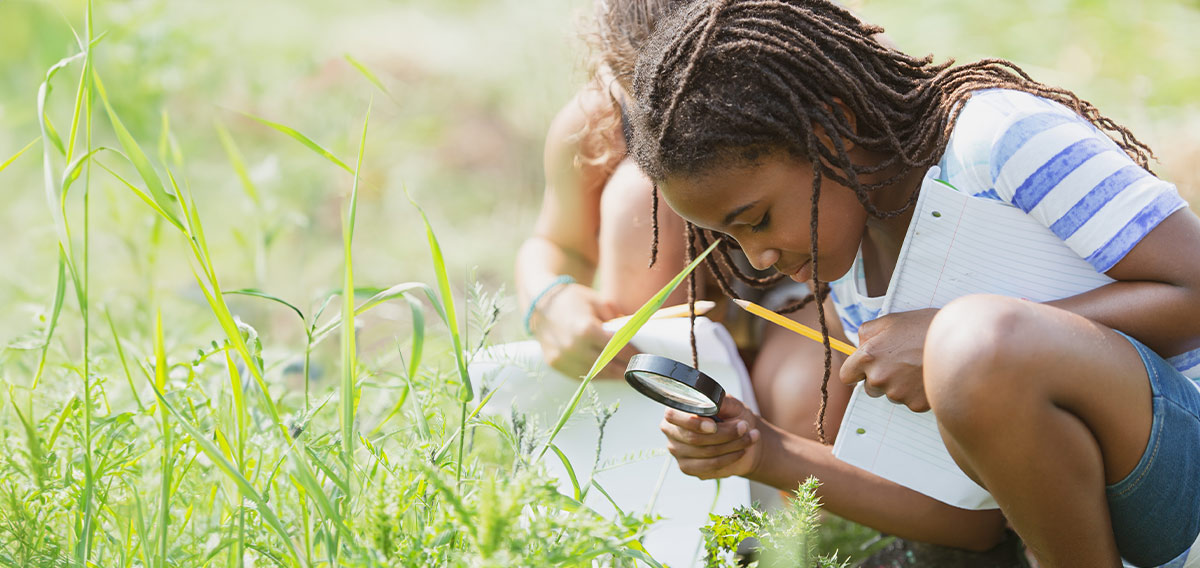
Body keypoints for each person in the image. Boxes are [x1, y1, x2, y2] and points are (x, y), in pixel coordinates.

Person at [623, 1, 1200, 566]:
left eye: (758, 220)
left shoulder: (996, 139)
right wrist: (763, 450)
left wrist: (950, 340)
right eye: (730, 240)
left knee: (974, 341)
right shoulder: (853, 274)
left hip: (1183, 459)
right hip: (1128, 531)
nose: (759, 259)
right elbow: (969, 520)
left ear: (833, 129)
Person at [515, 0, 851, 443]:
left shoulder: (828, 67)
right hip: (678, 305)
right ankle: (652, 445)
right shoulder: (597, 121)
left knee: (809, 398)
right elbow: (559, 243)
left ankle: (796, 487)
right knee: (640, 197)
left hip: (810, 292)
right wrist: (549, 303)